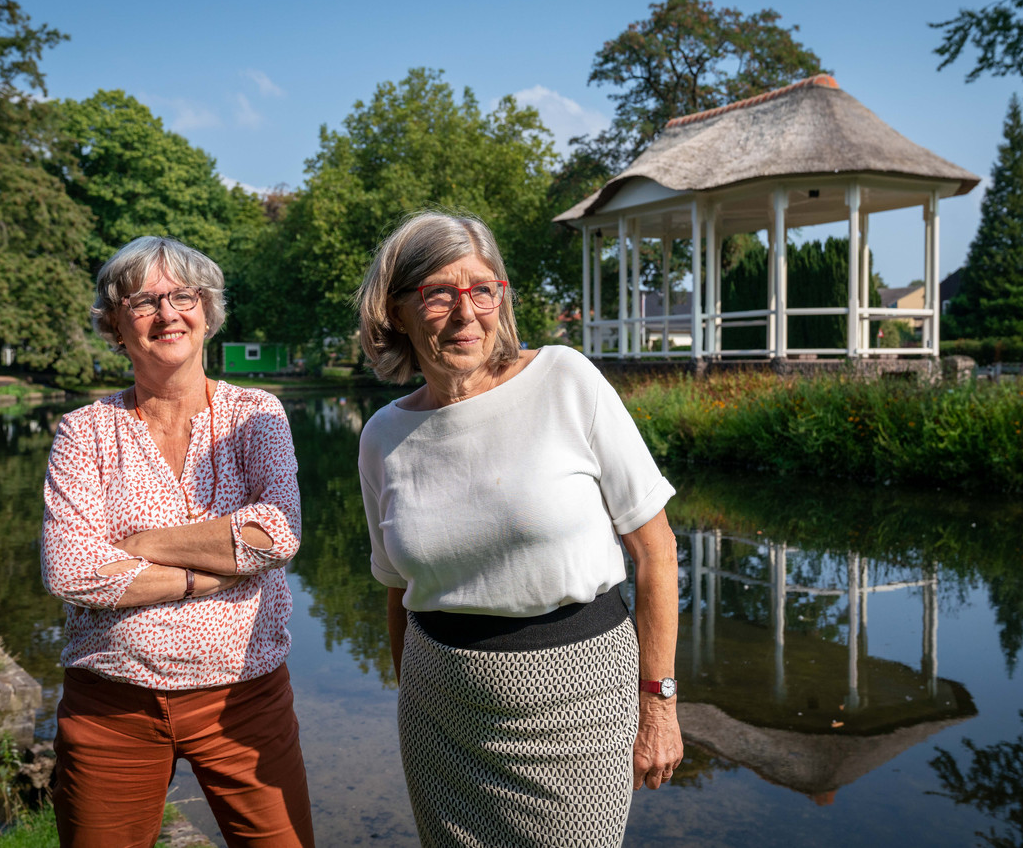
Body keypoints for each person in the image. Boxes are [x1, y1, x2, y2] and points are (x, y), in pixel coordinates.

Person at [355, 211, 684, 847]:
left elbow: (657, 552)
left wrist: (660, 704)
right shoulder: (382, 438)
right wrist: (413, 693)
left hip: (579, 706)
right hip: (440, 711)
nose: (465, 312)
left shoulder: (566, 380)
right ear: (395, 310)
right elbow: (397, 589)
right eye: (438, 293)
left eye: (483, 288)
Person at [40, 236, 314, 848]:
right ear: (115, 323)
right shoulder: (83, 433)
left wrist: (143, 543)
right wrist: (208, 573)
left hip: (245, 698)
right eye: (142, 301)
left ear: (208, 310)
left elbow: (276, 534)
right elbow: (70, 571)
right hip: (111, 706)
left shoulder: (255, 414)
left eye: (183, 296)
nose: (167, 314)